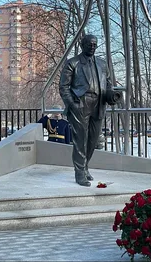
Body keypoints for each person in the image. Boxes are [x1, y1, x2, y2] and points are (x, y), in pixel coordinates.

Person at [59, 34, 120, 187]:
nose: (92, 47)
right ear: (82, 45)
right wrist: (72, 104)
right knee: (80, 140)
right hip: (81, 103)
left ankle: (85, 167)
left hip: (98, 104)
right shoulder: (73, 63)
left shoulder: (102, 64)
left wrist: (111, 95)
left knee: (92, 140)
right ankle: (79, 172)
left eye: (94, 45)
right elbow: (63, 87)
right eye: (89, 44)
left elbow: (107, 85)